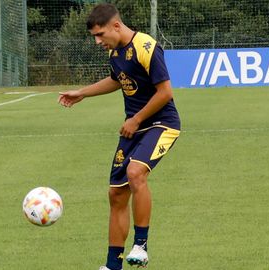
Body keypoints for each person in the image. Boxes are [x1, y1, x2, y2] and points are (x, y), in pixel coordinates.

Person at [58, 4, 181, 270]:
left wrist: (136, 119)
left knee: (136, 172)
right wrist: (82, 92)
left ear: (116, 25)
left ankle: (141, 246)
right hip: (132, 129)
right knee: (116, 195)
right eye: (94, 36)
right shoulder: (115, 51)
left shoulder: (147, 47)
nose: (97, 41)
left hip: (162, 124)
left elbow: (165, 93)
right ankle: (112, 265)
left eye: (100, 35)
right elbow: (117, 79)